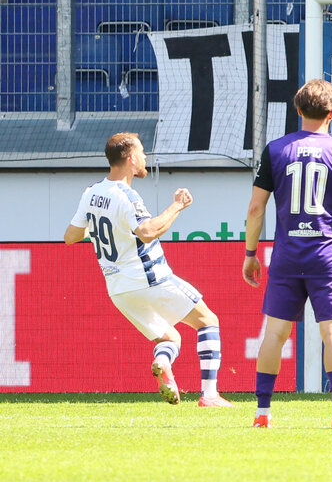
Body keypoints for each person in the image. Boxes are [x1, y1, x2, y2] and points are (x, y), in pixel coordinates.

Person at [64, 132, 233, 408]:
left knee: (170, 337)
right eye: (142, 152)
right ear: (131, 159)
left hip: (118, 289)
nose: (145, 158)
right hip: (149, 278)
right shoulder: (126, 195)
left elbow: (71, 236)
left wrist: (104, 225)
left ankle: (162, 362)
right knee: (208, 321)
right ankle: (210, 395)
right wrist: (177, 205)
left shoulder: (91, 192)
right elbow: (147, 232)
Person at [243, 79, 332, 430]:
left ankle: (262, 413)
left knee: (275, 333)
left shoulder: (275, 150)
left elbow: (255, 209)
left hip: (287, 255)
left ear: (298, 110)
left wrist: (250, 253)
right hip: (327, 257)